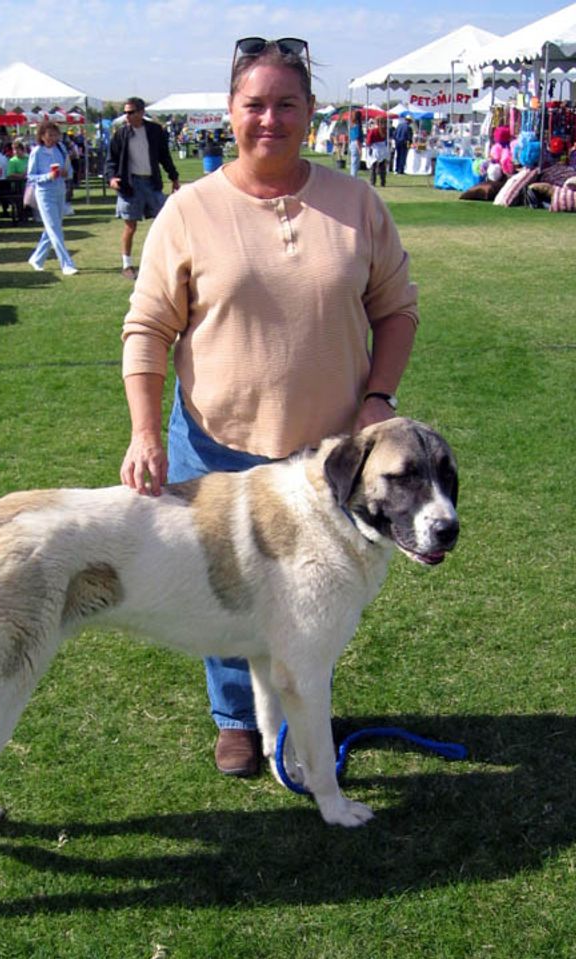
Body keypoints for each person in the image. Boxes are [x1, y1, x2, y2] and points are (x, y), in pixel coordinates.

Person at [119, 36, 418, 778]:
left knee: (319, 591)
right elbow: (147, 328)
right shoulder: (189, 209)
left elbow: (398, 310)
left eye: (287, 104)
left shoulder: (357, 202)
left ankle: (300, 698)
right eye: (255, 104)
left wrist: (377, 395)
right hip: (218, 447)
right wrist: (143, 430)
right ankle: (237, 719)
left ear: (311, 112)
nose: (270, 119)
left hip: (330, 462)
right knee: (221, 593)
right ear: (231, 111)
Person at [106, 97, 180, 280]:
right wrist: (111, 178)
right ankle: (127, 265)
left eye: (130, 112)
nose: (127, 116)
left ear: (141, 112)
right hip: (130, 185)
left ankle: (162, 261)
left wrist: (174, 177)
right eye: (125, 112)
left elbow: (164, 156)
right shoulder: (121, 134)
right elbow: (110, 160)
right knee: (130, 226)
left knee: (164, 221)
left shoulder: (155, 131)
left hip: (151, 182)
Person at [26, 121, 78, 276]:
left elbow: (69, 170)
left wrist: (65, 173)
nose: (53, 138)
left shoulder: (60, 148)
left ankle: (37, 258)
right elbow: (31, 176)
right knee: (55, 229)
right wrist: (48, 176)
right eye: (50, 135)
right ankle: (66, 264)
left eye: (55, 135)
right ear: (42, 136)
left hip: (60, 190)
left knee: (53, 227)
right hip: (44, 192)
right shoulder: (36, 152)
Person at [366, 118, 389, 187]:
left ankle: (373, 182)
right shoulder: (385, 130)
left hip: (375, 149)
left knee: (373, 166)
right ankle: (383, 182)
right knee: (382, 167)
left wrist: (368, 146)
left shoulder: (373, 130)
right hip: (383, 148)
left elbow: (368, 141)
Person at [349, 109, 364, 178]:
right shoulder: (357, 126)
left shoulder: (352, 126)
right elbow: (357, 138)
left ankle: (353, 176)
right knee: (355, 162)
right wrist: (360, 149)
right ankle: (353, 177)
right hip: (356, 144)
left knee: (353, 162)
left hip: (352, 143)